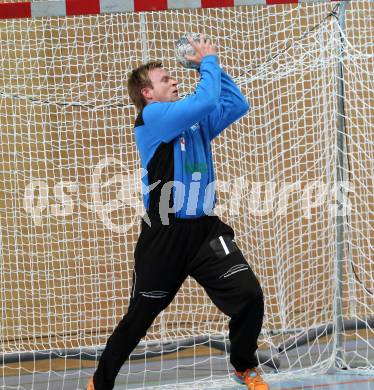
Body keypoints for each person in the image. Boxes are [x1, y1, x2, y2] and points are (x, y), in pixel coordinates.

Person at [87, 35, 268, 390]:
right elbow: (208, 97)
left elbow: (235, 102)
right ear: (147, 93)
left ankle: (244, 366)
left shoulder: (193, 122)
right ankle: (100, 381)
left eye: (172, 75)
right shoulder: (153, 118)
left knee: (249, 296)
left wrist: (206, 66)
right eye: (164, 78)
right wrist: (209, 61)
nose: (172, 80)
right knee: (140, 316)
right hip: (164, 236)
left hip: (204, 232)